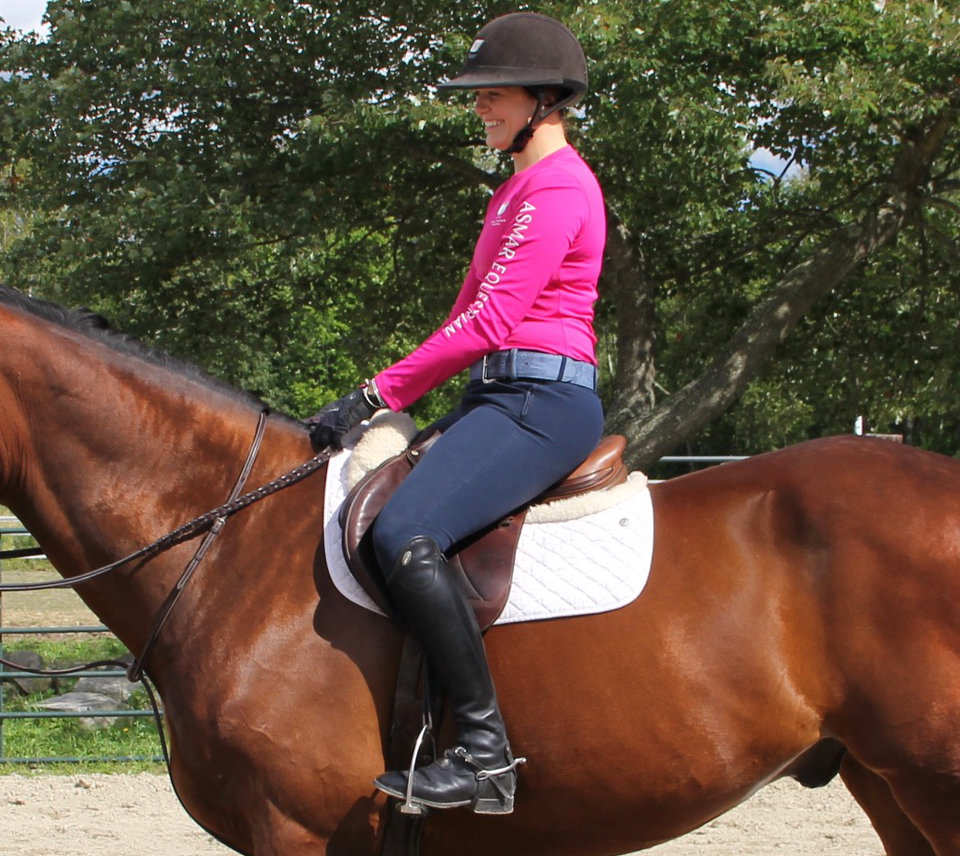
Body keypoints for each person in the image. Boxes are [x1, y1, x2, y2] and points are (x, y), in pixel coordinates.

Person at [307, 11, 606, 815]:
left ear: (546, 100)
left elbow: (490, 322)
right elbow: (463, 316)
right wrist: (402, 402)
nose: (481, 110)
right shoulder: (514, 192)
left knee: (406, 533)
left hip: (545, 400)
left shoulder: (559, 187)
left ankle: (484, 754)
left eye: (494, 96)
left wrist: (374, 394)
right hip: (498, 395)